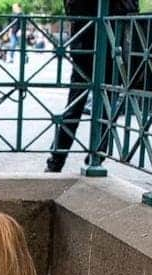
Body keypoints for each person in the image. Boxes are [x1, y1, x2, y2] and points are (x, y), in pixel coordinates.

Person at [46, 0, 138, 172]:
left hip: (94, 45)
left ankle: (61, 160)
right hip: (102, 45)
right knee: (97, 105)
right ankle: (88, 158)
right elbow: (130, 8)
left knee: (82, 104)